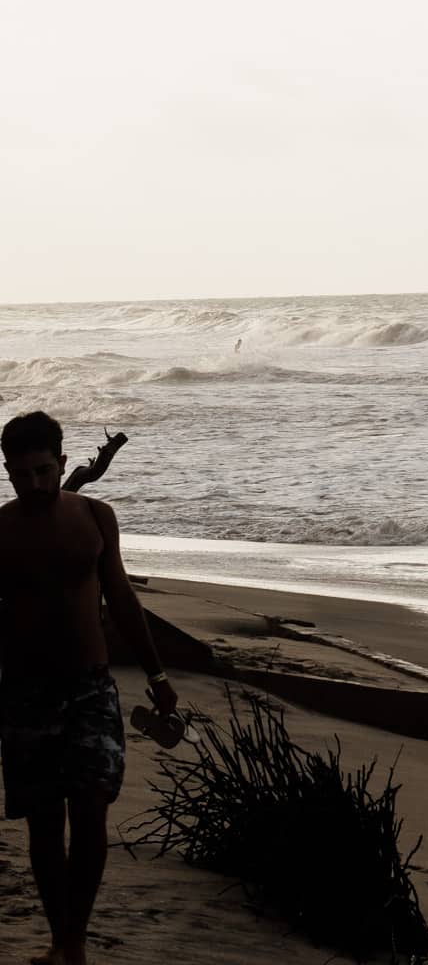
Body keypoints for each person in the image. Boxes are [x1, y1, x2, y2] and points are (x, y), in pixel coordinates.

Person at [0, 410, 178, 965]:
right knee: (44, 822)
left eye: (43, 471)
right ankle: (61, 941)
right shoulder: (1, 529)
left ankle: (74, 942)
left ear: (61, 462)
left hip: (91, 688)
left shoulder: (96, 517)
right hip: (25, 692)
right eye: (20, 474)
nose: (33, 484)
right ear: (7, 471)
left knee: (92, 809)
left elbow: (121, 598)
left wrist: (157, 675)